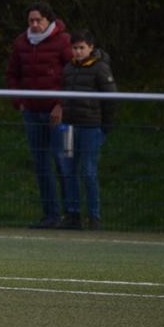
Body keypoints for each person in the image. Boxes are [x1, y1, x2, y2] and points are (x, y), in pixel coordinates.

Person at [6, 2, 73, 229]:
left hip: (58, 115)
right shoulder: (21, 43)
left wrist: (62, 105)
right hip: (32, 113)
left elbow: (74, 75)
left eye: (38, 20)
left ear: (48, 20)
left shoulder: (64, 41)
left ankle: (72, 215)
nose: (34, 25)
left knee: (64, 162)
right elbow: (12, 74)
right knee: (41, 165)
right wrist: (20, 102)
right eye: (31, 21)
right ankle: (50, 215)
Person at [58, 29, 116, 230]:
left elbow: (111, 100)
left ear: (91, 48)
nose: (78, 52)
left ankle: (94, 217)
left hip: (91, 126)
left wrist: (104, 128)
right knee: (68, 170)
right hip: (68, 127)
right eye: (74, 48)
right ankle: (73, 215)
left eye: (81, 48)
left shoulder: (100, 69)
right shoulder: (68, 69)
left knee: (89, 171)